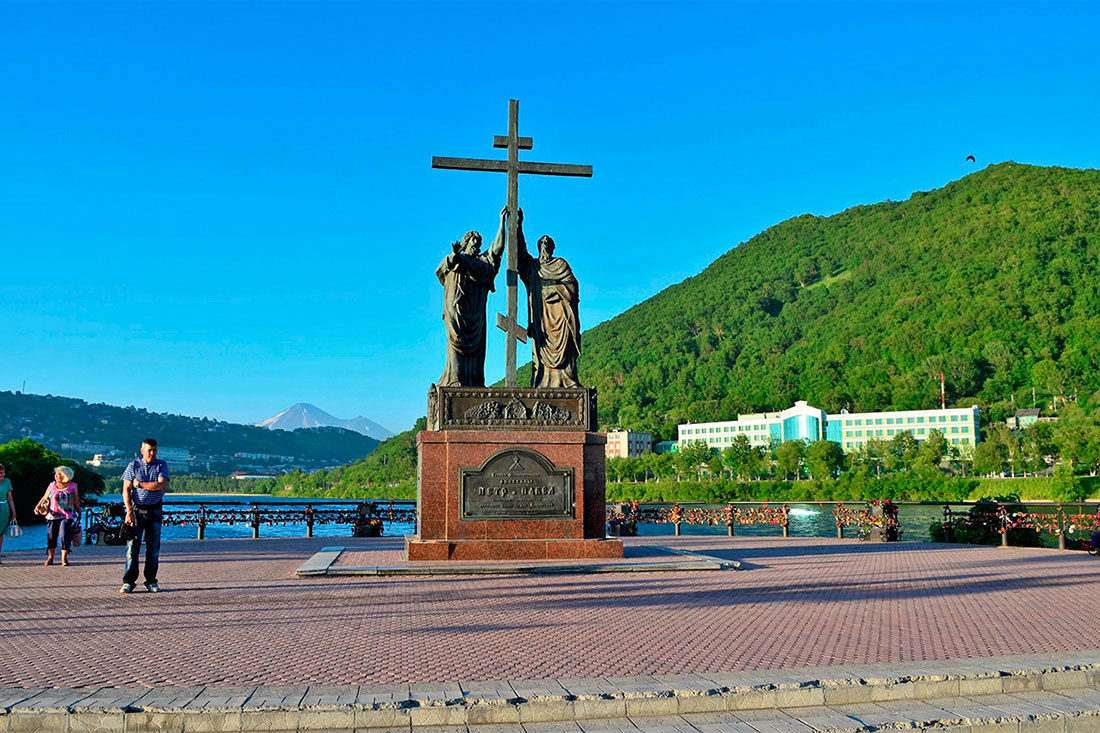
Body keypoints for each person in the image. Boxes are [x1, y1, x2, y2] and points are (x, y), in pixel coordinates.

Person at [436, 206, 507, 387]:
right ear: (466, 244)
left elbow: (497, 250)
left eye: (478, 244)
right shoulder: (458, 260)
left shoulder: (482, 264)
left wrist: (501, 223)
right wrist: (454, 254)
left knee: (477, 352)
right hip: (458, 312)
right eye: (473, 243)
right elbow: (443, 268)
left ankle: (475, 382)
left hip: (476, 313)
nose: (476, 247)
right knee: (456, 344)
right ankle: (454, 379)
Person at [516, 208, 582, 388]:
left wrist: (555, 289)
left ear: (552, 247)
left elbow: (572, 286)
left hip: (560, 314)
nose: (545, 246)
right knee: (541, 347)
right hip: (541, 317)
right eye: (542, 243)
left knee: (566, 345)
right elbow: (519, 254)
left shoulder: (560, 264)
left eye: (548, 243)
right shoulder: (533, 266)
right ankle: (543, 381)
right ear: (538, 248)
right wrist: (518, 226)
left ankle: (566, 379)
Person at [120, 438, 169, 594]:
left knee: (153, 549)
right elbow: (126, 490)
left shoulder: (161, 465)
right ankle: (128, 582)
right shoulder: (132, 466)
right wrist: (128, 511)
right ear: (142, 450)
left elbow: (161, 485)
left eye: (155, 450)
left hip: (154, 511)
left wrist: (140, 484)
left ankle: (151, 581)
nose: (152, 453)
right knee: (132, 549)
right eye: (149, 450)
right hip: (136, 511)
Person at [35, 466, 80, 566]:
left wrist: (79, 513)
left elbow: (76, 500)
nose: (56, 476)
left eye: (59, 474)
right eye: (55, 474)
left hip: (67, 515)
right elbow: (45, 497)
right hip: (52, 514)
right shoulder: (52, 485)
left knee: (64, 535)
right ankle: (50, 557)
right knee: (51, 536)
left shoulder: (73, 486)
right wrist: (37, 507)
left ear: (65, 475)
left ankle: (64, 558)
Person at [0, 463, 17, 562]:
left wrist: (13, 512)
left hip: (4, 509)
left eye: (2, 473)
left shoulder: (7, 482)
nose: (0, 475)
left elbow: (10, 498)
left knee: (1, 533)